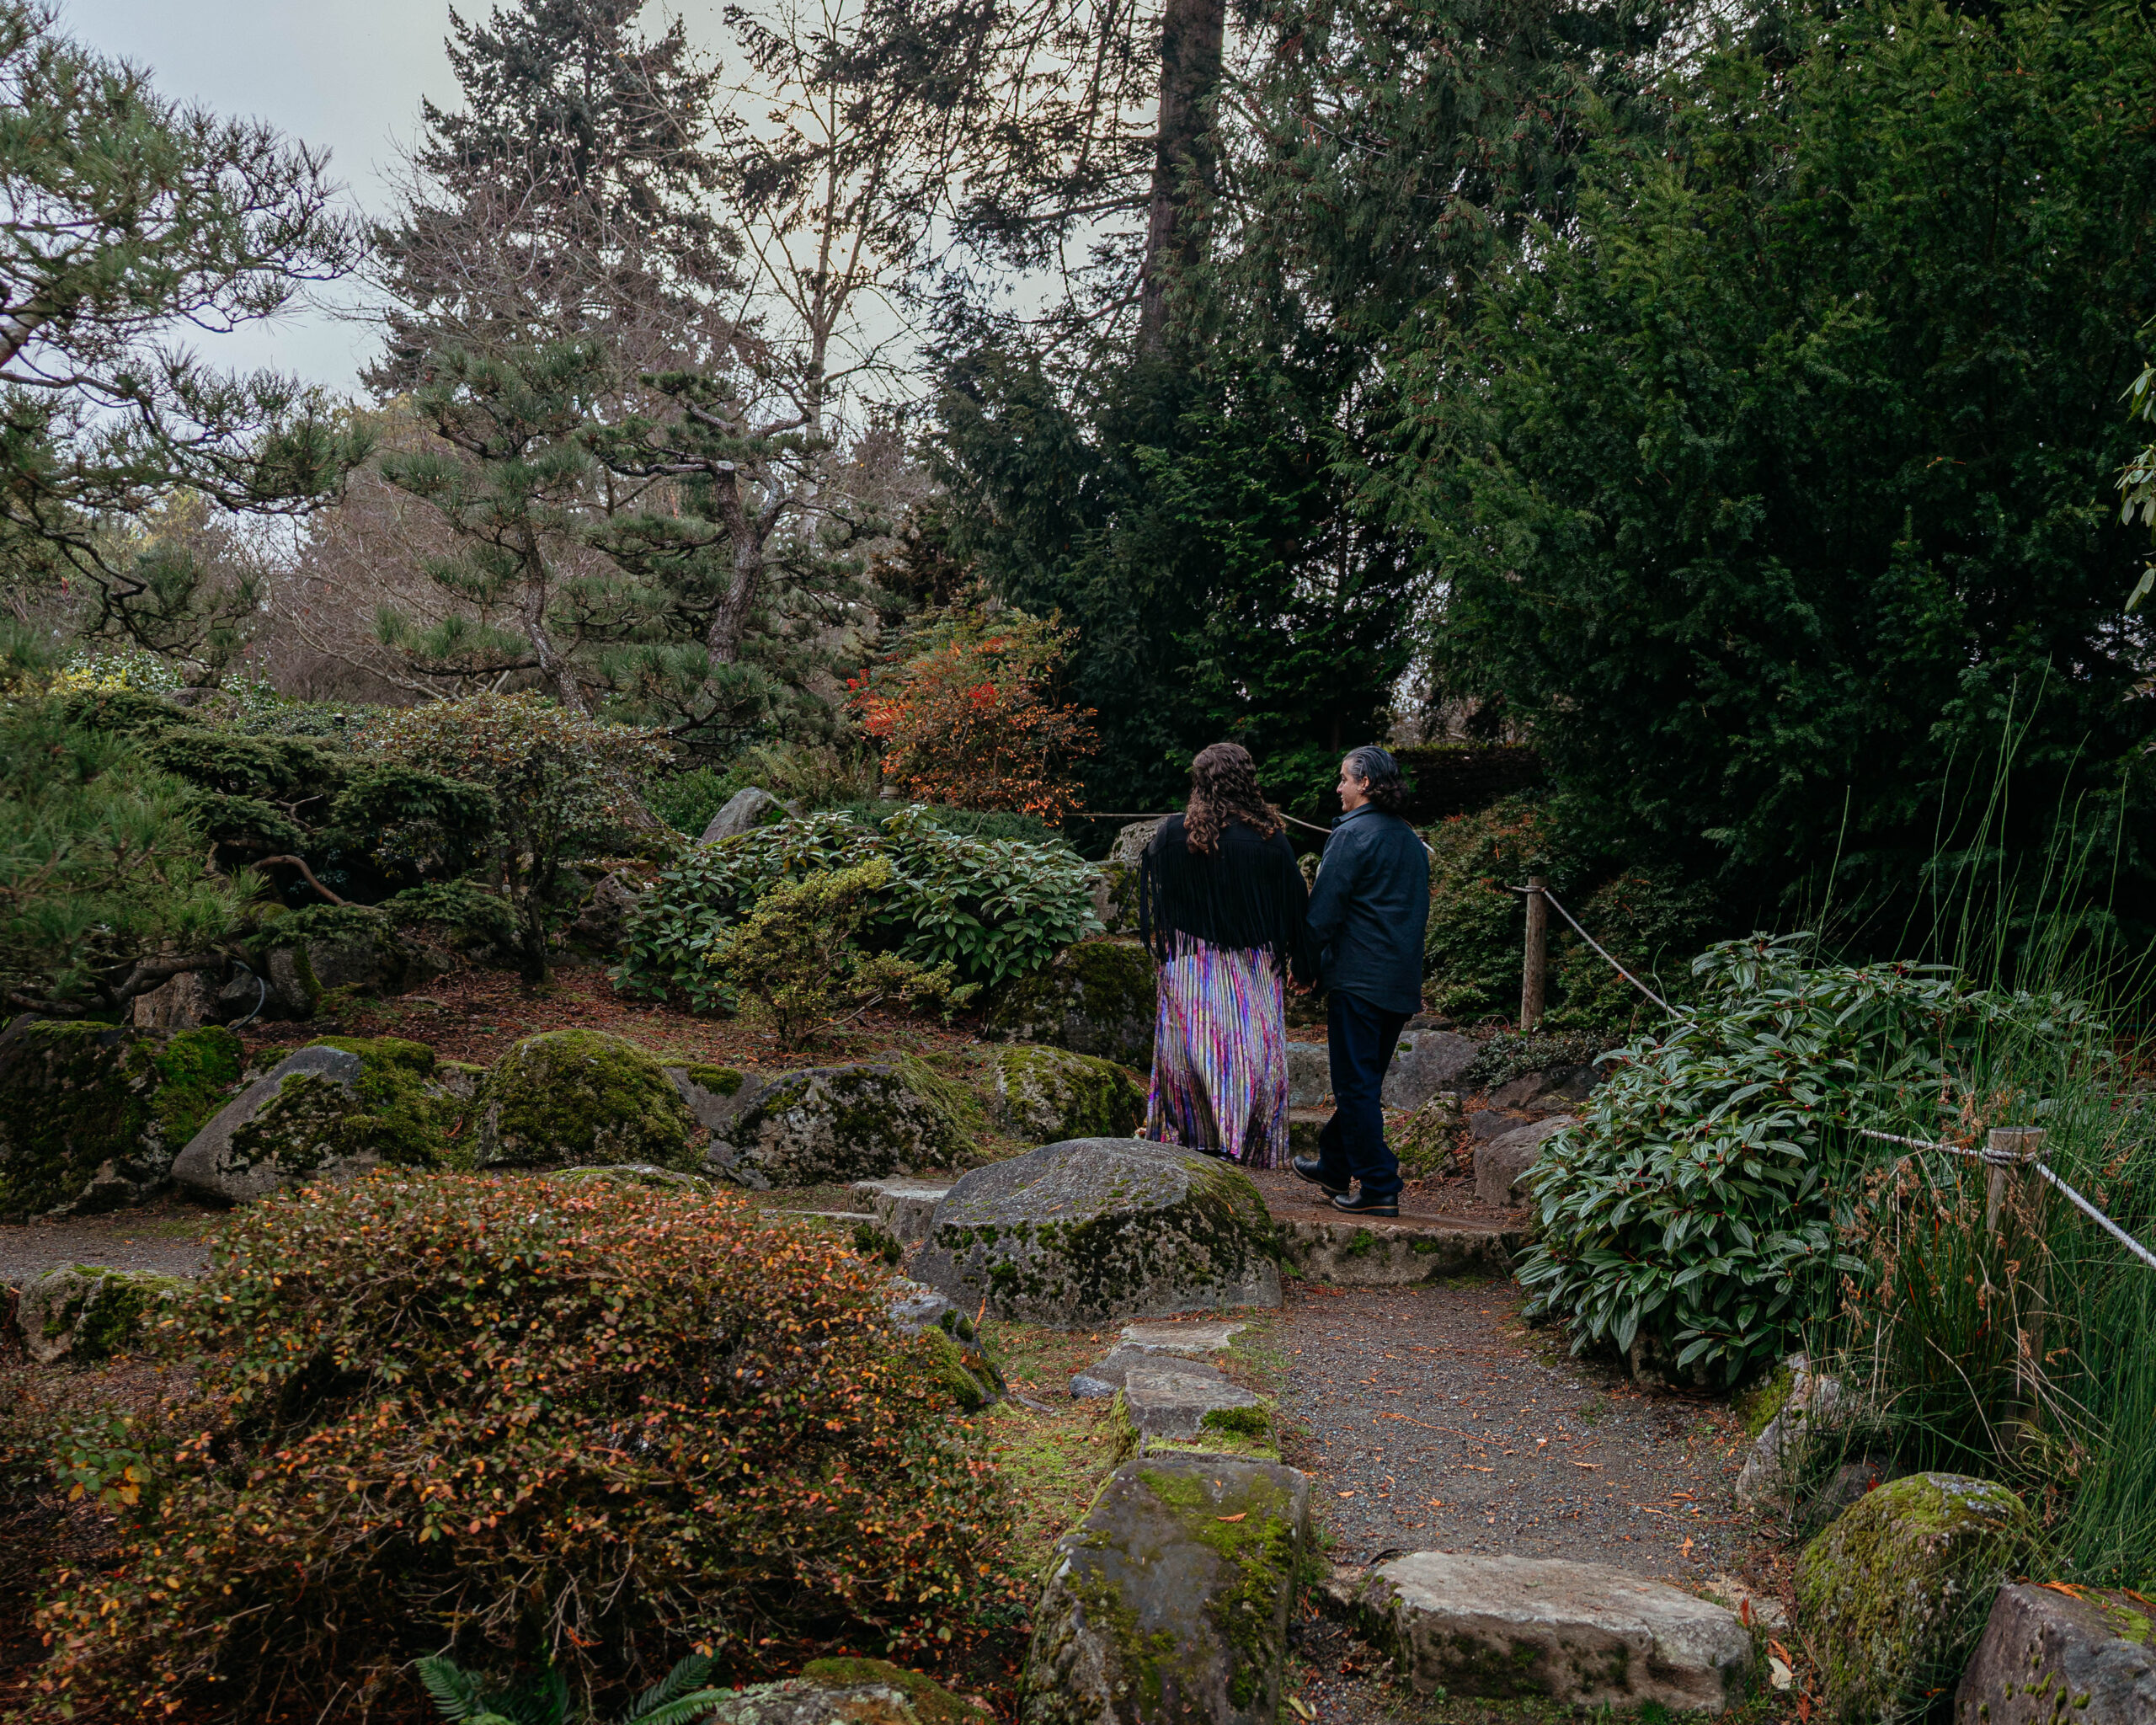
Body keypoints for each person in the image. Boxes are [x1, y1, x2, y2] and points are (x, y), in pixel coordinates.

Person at [1137, 741, 1317, 1167]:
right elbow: (1296, 908)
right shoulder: (1270, 840)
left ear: (1200, 783)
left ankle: (1192, 1135)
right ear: (1247, 782)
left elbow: (1161, 900)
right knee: (1248, 1052)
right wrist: (1305, 963)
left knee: (1190, 1050)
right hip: (1251, 965)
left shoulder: (1172, 835)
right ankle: (1244, 1141)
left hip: (1189, 963)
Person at [1294, 745, 1430, 1215]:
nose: (1339, 788)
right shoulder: (1409, 838)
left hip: (1359, 979)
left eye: (1344, 779)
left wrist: (1305, 966)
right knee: (1364, 1082)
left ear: (1365, 783)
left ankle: (1378, 1185)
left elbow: (1323, 911)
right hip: (1399, 981)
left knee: (1355, 1086)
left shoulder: (1352, 834)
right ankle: (1334, 1165)